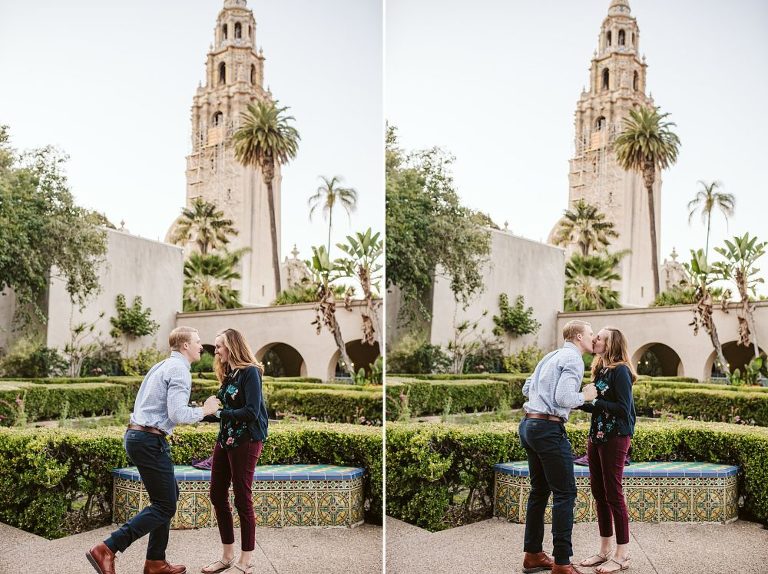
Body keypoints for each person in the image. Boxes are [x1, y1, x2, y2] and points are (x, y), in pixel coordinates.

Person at [87, 326, 220, 574]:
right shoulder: (179, 370)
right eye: (198, 341)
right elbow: (177, 414)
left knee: (168, 495)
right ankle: (107, 548)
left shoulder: (161, 366)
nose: (202, 346)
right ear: (185, 346)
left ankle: (156, 562)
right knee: (165, 505)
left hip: (138, 435)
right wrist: (206, 410)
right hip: (149, 440)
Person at [519, 319, 598, 574]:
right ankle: (562, 563)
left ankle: (532, 555)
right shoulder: (574, 359)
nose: (593, 337)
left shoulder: (550, 355)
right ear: (577, 337)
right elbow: (564, 398)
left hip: (529, 425)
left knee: (539, 491)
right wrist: (586, 396)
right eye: (590, 333)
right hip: (548, 429)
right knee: (565, 494)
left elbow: (526, 388)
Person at [201, 328, 269, 574]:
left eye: (219, 346)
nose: (216, 351)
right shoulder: (230, 374)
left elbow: (251, 412)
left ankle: (246, 559)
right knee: (217, 494)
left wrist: (218, 413)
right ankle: (227, 555)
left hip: (246, 440)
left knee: (242, 498)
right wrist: (198, 414)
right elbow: (223, 411)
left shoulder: (250, 372)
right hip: (226, 439)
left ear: (232, 346)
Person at [577, 327, 637, 573]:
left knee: (614, 493)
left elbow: (623, 409)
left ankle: (622, 555)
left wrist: (596, 401)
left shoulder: (621, 370)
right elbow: (598, 406)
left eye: (599, 337)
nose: (595, 339)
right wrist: (580, 401)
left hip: (616, 436)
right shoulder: (602, 369)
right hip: (597, 436)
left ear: (611, 343)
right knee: (599, 493)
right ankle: (604, 551)